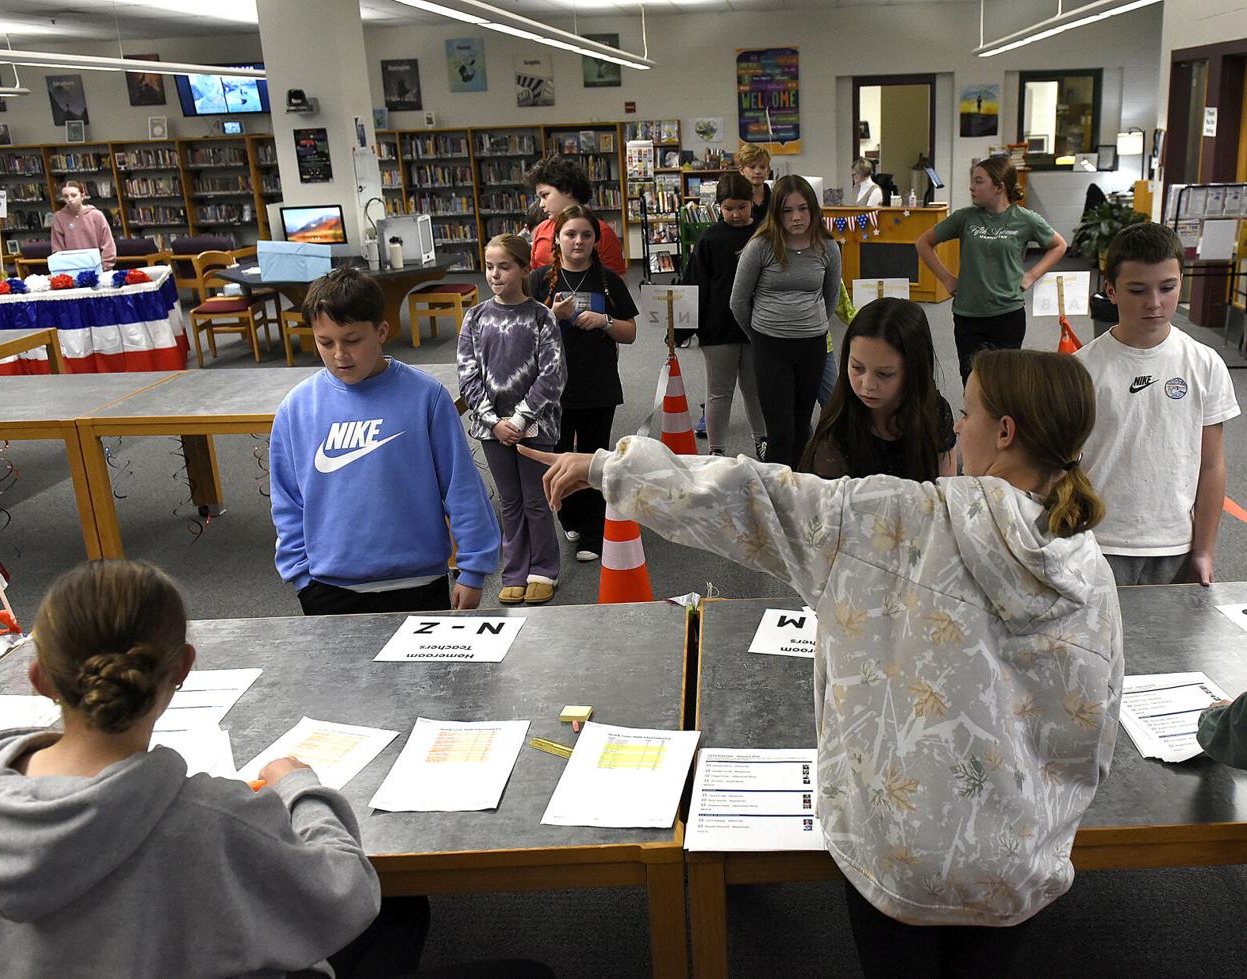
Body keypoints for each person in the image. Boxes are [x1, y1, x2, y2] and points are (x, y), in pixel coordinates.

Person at [522, 347, 1121, 975]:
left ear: (1005, 433)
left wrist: (607, 469)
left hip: (900, 856)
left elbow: (758, 497)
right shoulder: (1088, 569)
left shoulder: (902, 519)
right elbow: (1096, 733)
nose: (955, 428)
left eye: (966, 413)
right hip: (1019, 861)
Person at [0, 559, 388, 978]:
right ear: (182, 668)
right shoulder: (214, 818)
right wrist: (301, 789)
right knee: (400, 922)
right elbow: (345, 893)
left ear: (38, 679)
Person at [270, 268, 499, 615]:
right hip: (328, 587)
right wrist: (300, 576)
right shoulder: (296, 408)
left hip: (418, 583)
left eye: (351, 340)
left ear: (381, 332)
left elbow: (462, 487)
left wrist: (473, 570)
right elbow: (287, 500)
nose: (339, 355)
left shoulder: (427, 398)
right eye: (325, 342)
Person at [1073, 222, 1240, 586]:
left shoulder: (1204, 363)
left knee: (1173, 642)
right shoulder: (1081, 369)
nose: (1154, 302)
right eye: (1137, 290)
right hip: (1097, 541)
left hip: (1175, 543)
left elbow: (1212, 465)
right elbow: (1061, 466)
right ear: (1111, 290)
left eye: (1168, 288)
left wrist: (1204, 549)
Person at [457, 234, 566, 605]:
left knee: (536, 498)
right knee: (510, 501)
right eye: (489, 266)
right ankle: (515, 570)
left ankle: (544, 570)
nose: (495, 274)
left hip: (535, 424)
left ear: (523, 269)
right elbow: (468, 376)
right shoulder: (474, 317)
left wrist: (519, 419)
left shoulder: (542, 316)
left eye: (504, 267)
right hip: (492, 429)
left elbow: (553, 375)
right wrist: (492, 421)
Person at [528, 205, 638, 562]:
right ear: (556, 239)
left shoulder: (609, 280)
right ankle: (569, 514)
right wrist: (551, 316)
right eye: (570, 234)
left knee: (593, 456)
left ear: (596, 240)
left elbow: (631, 333)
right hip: (551, 387)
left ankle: (594, 529)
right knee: (558, 453)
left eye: (586, 235)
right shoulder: (540, 279)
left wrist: (605, 320)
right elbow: (522, 334)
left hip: (597, 384)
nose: (578, 241)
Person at [915, 157, 1068, 384]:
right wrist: (946, 278)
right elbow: (923, 243)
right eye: (972, 181)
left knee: (1004, 382)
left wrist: (1031, 275)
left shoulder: (1025, 219)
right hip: (969, 315)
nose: (971, 187)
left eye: (978, 181)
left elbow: (1059, 245)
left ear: (999, 186)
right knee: (972, 380)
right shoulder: (965, 218)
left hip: (1007, 314)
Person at [729, 173, 841, 469]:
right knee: (781, 432)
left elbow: (829, 298)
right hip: (770, 346)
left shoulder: (828, 247)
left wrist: (809, 324)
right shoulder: (761, 247)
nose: (796, 217)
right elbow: (738, 301)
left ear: (813, 209)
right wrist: (761, 336)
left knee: (803, 425)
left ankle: (799, 490)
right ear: (776, 213)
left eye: (803, 208)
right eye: (787, 210)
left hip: (812, 345)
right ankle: (777, 496)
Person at [802, 297, 957, 481]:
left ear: (914, 371)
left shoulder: (934, 412)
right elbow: (829, 506)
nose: (867, 385)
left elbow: (946, 494)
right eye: (857, 368)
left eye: (884, 374)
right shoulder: (836, 431)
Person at [681, 172, 767, 460]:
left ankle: (763, 443)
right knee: (719, 392)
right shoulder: (709, 239)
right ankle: (716, 452)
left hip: (758, 326)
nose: (735, 214)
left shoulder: (766, 235)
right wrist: (682, 329)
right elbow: (695, 285)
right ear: (718, 206)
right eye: (728, 208)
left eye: (741, 207)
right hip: (717, 328)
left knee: (756, 389)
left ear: (752, 202)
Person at [525, 155, 626, 274]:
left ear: (567, 190)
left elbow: (618, 283)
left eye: (545, 195)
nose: (541, 204)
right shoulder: (542, 229)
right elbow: (533, 276)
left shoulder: (601, 231)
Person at [50, 179, 116, 270]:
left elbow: (107, 244)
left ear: (82, 196)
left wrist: (105, 267)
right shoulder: (59, 218)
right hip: (71, 269)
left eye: (73, 195)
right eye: (66, 196)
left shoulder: (96, 215)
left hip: (98, 268)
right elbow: (57, 249)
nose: (70, 199)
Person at [736, 143, 772, 226]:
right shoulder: (735, 199)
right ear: (742, 170)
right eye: (752, 167)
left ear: (768, 170)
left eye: (762, 167)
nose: (757, 171)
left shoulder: (775, 198)